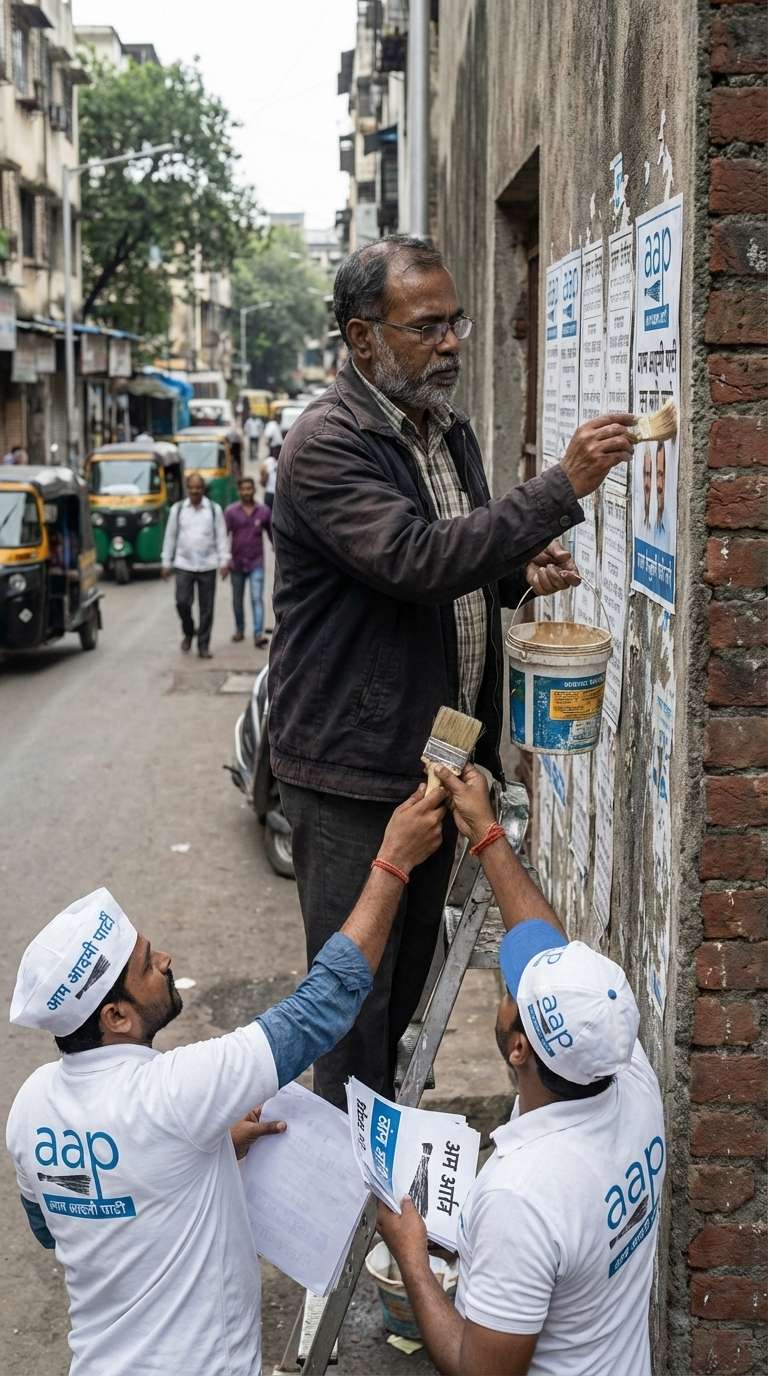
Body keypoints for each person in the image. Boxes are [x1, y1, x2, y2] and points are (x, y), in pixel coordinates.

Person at [269, 233, 635, 1109]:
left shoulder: (446, 431)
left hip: (436, 761)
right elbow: (413, 560)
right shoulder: (328, 443)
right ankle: (348, 1214)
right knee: (351, 1011)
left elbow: (450, 568)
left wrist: (516, 567)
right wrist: (559, 488)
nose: (451, 343)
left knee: (404, 1002)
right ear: (363, 339)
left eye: (457, 322)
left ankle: (390, 1193)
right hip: (355, 773)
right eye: (426, 326)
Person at [5, 785, 446, 1376]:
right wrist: (394, 859)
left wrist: (178, 1163)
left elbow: (54, 1229)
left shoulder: (30, 1105)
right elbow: (324, 1006)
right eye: (147, 963)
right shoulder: (174, 1094)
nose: (165, 961)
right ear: (116, 1017)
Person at [378, 765, 666, 1376]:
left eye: (512, 992)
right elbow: (550, 953)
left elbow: (482, 1370)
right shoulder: (625, 1068)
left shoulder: (523, 1195)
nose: (507, 985)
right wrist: (487, 834)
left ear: (518, 1049)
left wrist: (411, 1258)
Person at [161, 471, 229, 659]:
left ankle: (203, 645)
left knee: (207, 608)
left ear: (203, 489)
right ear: (187, 489)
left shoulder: (214, 510)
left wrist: (224, 560)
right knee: (182, 603)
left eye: (198, 487)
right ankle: (189, 631)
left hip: (208, 564)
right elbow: (170, 536)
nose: (195, 491)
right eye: (191, 487)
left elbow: (221, 536)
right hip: (184, 564)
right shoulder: (178, 509)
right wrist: (166, 562)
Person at [224, 475, 273, 646]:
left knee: (256, 598)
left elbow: (272, 534)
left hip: (256, 562)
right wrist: (225, 561)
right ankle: (239, 629)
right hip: (236, 563)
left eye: (249, 489)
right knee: (237, 600)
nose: (246, 492)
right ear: (239, 491)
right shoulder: (231, 512)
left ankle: (258, 634)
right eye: (243, 489)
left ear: (254, 490)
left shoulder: (264, 511)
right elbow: (224, 536)